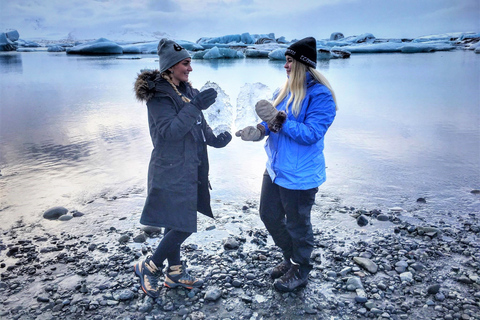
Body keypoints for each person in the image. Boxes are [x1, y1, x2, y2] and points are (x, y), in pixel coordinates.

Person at [133, 38, 232, 298]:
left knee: (174, 220)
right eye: (186, 63)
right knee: (184, 224)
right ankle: (150, 266)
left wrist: (216, 139)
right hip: (170, 169)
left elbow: (197, 125)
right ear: (172, 66)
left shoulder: (187, 90)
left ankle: (174, 272)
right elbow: (169, 133)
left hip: (191, 167)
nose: (190, 69)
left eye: (190, 63)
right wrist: (197, 105)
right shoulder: (158, 95)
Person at [236, 37, 337, 292]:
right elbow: (273, 124)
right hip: (276, 168)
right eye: (285, 61)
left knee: (297, 224)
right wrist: (259, 130)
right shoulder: (283, 92)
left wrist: (278, 121)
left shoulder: (321, 96)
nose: (286, 66)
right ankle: (290, 258)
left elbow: (312, 133)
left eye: (290, 61)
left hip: (301, 175)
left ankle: (300, 269)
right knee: (268, 214)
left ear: (303, 64)